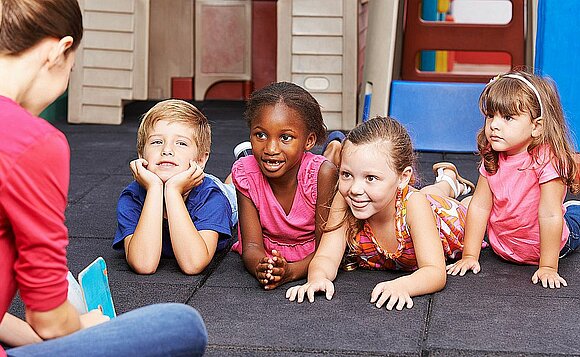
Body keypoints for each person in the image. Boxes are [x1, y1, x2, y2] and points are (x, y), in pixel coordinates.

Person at [0, 1, 207, 355]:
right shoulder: (34, 142)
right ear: (60, 51)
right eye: (72, 69)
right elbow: (48, 317)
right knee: (181, 325)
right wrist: (85, 326)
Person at [286, 116, 476, 310]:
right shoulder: (345, 200)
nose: (355, 189)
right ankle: (446, 181)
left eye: (370, 178)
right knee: (427, 194)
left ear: (403, 177)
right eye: (346, 175)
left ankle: (449, 183)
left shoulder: (414, 205)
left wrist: (402, 285)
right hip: (404, 199)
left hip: (445, 217)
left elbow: (435, 272)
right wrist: (318, 278)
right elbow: (326, 256)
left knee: (459, 207)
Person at [446, 70, 580, 289]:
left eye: (507, 118)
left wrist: (548, 267)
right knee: (471, 202)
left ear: (536, 127)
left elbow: (549, 214)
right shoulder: (493, 153)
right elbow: (480, 206)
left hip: (549, 245)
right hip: (504, 245)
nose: (494, 125)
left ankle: (573, 208)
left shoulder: (546, 159)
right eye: (491, 116)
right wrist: (470, 254)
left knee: (571, 219)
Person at [231, 82, 339, 290]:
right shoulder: (245, 173)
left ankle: (335, 147)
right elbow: (252, 246)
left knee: (339, 168)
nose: (271, 148)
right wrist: (261, 267)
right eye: (260, 135)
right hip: (270, 248)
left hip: (311, 254)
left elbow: (327, 249)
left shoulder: (322, 175)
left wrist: (291, 272)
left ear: (309, 141)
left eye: (285, 138)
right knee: (244, 168)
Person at [113, 99, 234, 275]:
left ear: (200, 160)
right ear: (141, 154)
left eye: (181, 143)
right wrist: (155, 188)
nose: (167, 150)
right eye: (156, 142)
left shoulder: (212, 197)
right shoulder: (132, 197)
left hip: (216, 190)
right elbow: (144, 264)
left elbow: (193, 264)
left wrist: (172, 191)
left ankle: (241, 167)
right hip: (181, 181)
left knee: (237, 191)